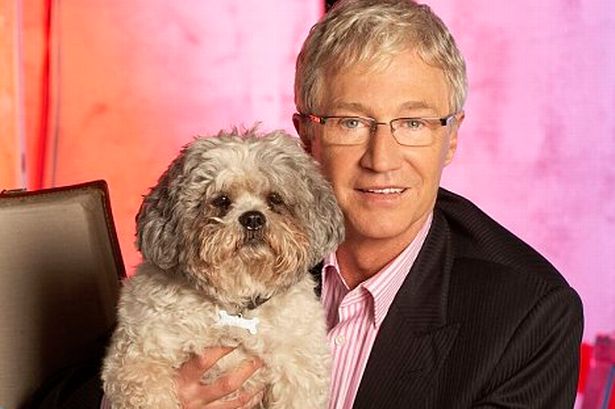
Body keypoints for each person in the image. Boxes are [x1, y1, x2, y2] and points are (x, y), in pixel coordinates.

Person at [34, 0, 583, 408]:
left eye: (413, 122)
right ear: (306, 134)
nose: (381, 157)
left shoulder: (528, 316)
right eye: (351, 121)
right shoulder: (205, 264)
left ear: (453, 135)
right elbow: (60, 396)